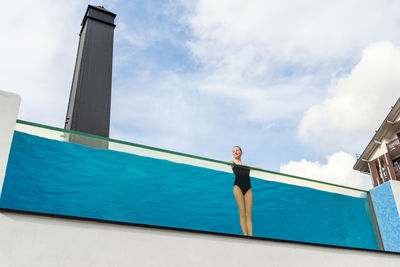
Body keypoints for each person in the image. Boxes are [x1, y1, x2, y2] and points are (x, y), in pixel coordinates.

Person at [229, 146, 253, 236]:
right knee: (242, 211)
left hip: (248, 188)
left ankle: (251, 236)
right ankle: (245, 235)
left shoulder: (246, 166)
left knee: (249, 213)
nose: (235, 152)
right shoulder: (231, 162)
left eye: (237, 150)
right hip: (237, 187)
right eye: (233, 151)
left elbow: (257, 169)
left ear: (241, 152)